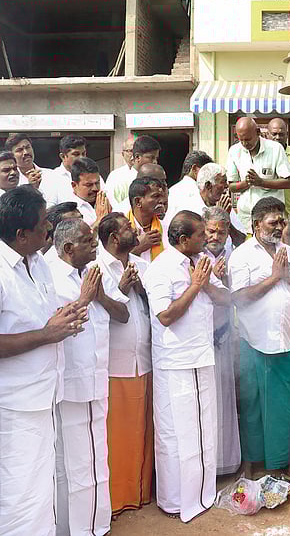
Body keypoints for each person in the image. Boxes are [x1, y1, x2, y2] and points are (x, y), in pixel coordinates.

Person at [0, 186, 86, 536]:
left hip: (46, 394)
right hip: (16, 405)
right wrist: (47, 334)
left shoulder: (39, 263)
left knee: (42, 490)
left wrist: (60, 318)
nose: (49, 231)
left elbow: (37, 320)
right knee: (19, 495)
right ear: (21, 235)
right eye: (42, 227)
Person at [144, 210, 230, 522]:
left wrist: (205, 285)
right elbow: (165, 316)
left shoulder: (202, 260)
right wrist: (195, 286)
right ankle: (176, 500)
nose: (207, 238)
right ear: (183, 240)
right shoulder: (161, 269)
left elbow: (224, 298)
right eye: (200, 234)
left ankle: (203, 494)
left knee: (205, 430)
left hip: (203, 355)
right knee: (177, 433)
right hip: (175, 362)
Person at [49, 218, 129, 536]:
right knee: (73, 464)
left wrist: (98, 296)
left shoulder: (95, 271)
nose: (95, 243)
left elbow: (123, 314)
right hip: (70, 384)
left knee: (97, 459)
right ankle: (76, 529)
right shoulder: (51, 275)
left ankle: (97, 525)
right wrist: (84, 298)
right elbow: (54, 326)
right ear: (69, 248)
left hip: (97, 378)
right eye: (88, 240)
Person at [228, 197, 290, 477]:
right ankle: (252, 462)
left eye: (281, 221)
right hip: (254, 341)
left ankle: (278, 463)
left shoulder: (289, 251)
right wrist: (273, 277)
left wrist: (286, 275)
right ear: (256, 225)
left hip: (285, 341)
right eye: (273, 221)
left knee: (283, 406)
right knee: (252, 405)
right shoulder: (242, 255)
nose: (279, 226)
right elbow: (238, 297)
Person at [97, 212, 154, 517]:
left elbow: (152, 306)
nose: (135, 231)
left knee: (142, 434)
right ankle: (116, 498)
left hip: (143, 361)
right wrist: (121, 288)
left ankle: (140, 494)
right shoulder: (96, 268)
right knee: (117, 437)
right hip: (115, 366)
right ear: (114, 238)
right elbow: (108, 313)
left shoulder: (142, 264)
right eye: (128, 229)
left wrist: (142, 289)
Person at [202, 206, 241, 476]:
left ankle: (226, 462)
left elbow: (237, 295)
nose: (215, 236)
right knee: (207, 403)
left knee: (226, 398)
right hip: (202, 339)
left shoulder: (234, 255)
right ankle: (207, 465)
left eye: (221, 231)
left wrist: (225, 276)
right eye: (211, 230)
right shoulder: (194, 256)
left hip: (226, 334)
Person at [227, 117, 290, 232]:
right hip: (246, 218)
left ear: (258, 132)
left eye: (248, 139)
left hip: (270, 218)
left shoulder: (275, 149)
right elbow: (232, 187)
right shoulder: (234, 151)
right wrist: (247, 183)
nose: (244, 143)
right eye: (241, 140)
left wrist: (261, 182)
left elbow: (289, 182)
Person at [166, 162, 246, 250]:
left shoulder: (225, 205)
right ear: (208, 186)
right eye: (223, 182)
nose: (227, 186)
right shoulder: (188, 208)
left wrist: (224, 218)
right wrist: (217, 218)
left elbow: (241, 241)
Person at [267, 118, 290, 238]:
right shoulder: (262, 156)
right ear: (267, 134)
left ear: (287, 135)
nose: (277, 137)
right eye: (274, 134)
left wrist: (289, 176)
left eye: (281, 134)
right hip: (269, 217)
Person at [44, 135, 106, 207]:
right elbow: (49, 211)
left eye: (83, 153)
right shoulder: (52, 179)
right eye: (76, 154)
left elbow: (104, 201)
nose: (81, 158)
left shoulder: (95, 177)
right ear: (63, 156)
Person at [126, 176, 168, 262]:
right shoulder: (121, 230)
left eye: (162, 196)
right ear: (138, 202)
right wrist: (137, 249)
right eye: (156, 196)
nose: (162, 201)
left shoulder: (167, 228)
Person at [166, 150, 213, 220]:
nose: (210, 176)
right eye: (207, 171)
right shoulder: (198, 193)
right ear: (194, 169)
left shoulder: (172, 190)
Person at [69, 157, 112, 227]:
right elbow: (81, 237)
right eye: (89, 185)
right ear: (74, 185)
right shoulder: (70, 211)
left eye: (97, 183)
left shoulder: (106, 201)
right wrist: (100, 219)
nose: (95, 188)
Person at [105, 133, 136, 207]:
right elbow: (109, 197)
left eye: (136, 150)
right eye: (130, 151)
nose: (134, 154)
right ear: (123, 154)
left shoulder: (145, 173)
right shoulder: (114, 175)